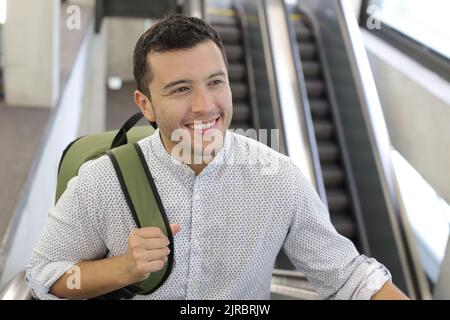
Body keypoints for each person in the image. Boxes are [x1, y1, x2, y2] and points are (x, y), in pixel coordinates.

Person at [25, 14, 408, 300]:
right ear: (146, 105)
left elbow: (350, 279)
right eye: (180, 89)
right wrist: (123, 268)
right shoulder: (102, 181)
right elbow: (44, 274)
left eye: (215, 82)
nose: (204, 106)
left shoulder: (278, 178)